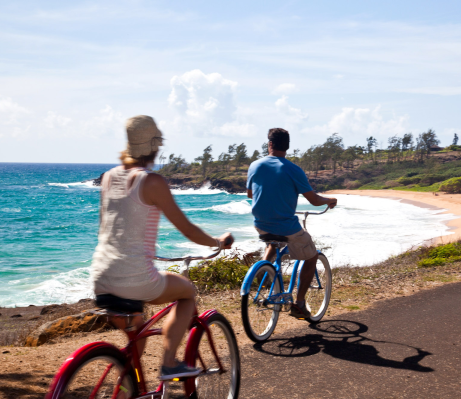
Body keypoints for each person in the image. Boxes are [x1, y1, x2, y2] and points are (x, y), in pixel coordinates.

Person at [90, 115, 233, 380]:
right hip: (134, 279)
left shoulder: (109, 177)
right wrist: (218, 243)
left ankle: (126, 392)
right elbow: (187, 229)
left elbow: (109, 227)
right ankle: (169, 363)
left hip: (101, 276)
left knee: (137, 338)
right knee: (187, 292)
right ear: (155, 145)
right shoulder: (152, 182)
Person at [247, 128, 337, 319]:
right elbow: (313, 199)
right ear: (287, 146)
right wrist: (328, 200)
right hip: (286, 226)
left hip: (261, 224)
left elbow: (250, 194)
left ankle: (264, 272)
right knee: (311, 257)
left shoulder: (254, 166)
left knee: (273, 242)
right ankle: (300, 303)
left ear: (269, 144)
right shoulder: (293, 169)